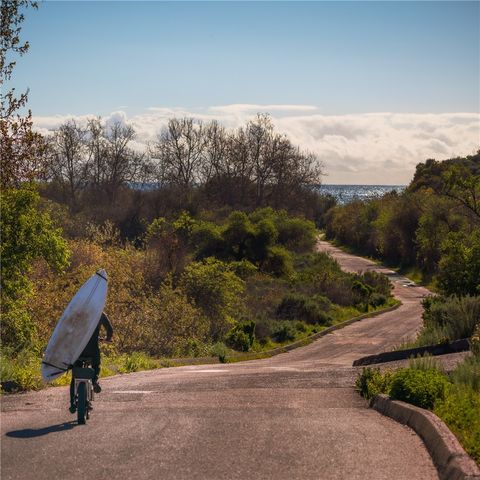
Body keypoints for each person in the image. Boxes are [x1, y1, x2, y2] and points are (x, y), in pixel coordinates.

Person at [69, 311, 113, 413]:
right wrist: (108, 338)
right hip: (92, 350)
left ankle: (72, 403)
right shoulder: (99, 313)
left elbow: (68, 328)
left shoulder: (78, 312)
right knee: (96, 365)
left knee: (75, 374)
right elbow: (110, 330)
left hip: (78, 350)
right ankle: (94, 381)